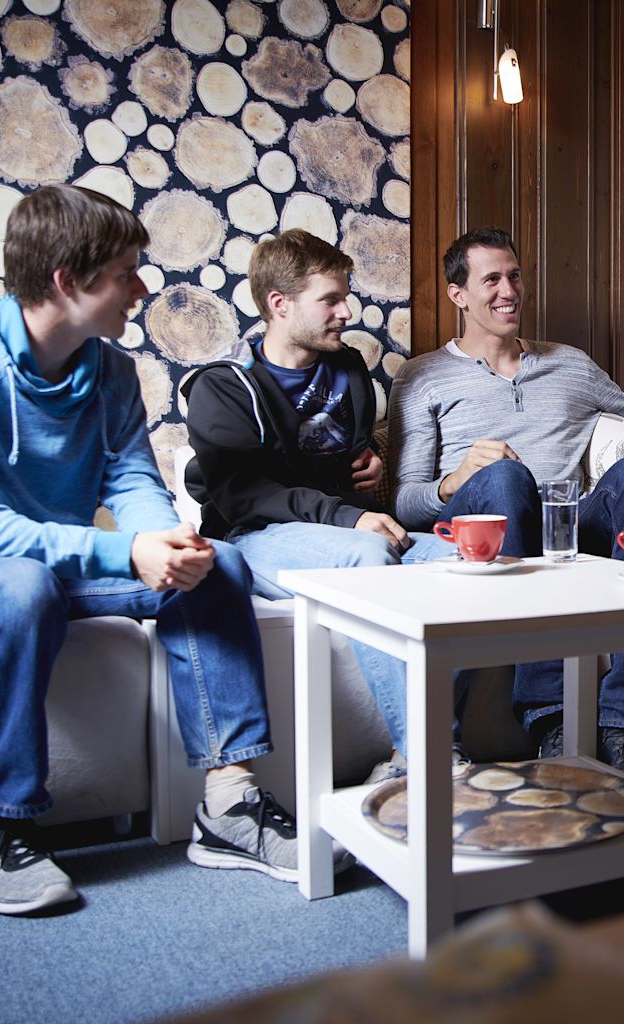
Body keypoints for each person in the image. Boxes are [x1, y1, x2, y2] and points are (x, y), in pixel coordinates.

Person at [0, 185, 331, 915]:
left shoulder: (112, 372)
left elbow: (131, 481)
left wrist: (169, 542)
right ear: (68, 281)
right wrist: (124, 554)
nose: (142, 288)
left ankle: (229, 805)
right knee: (17, 585)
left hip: (54, 571)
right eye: (127, 272)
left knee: (220, 565)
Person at [388, 227, 624, 778]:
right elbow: (406, 502)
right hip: (484, 528)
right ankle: (550, 714)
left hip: (569, 529)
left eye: (515, 276)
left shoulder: (569, 363)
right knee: (507, 478)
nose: (509, 291)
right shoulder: (422, 377)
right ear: (458, 295)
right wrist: (456, 480)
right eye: (491, 280)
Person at [182, 229, 458, 785]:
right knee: (366, 556)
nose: (346, 311)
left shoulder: (347, 367)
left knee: (458, 562)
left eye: (345, 296)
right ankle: (431, 760)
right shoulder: (223, 386)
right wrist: (349, 516)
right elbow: (242, 494)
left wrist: (371, 456)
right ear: (279, 304)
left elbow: (340, 453)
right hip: (255, 535)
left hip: (337, 528)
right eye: (330, 299)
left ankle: (404, 760)